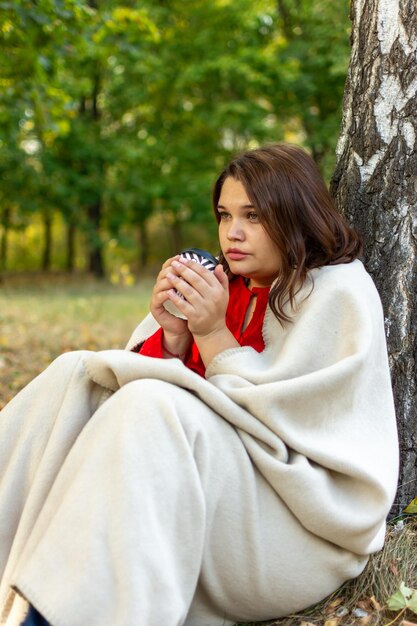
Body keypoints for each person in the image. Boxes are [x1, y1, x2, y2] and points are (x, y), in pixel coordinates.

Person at [0, 144, 398, 626]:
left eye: (253, 216)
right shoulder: (220, 283)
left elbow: (284, 426)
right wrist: (172, 334)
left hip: (291, 520)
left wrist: (212, 335)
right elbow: (152, 392)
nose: (232, 233)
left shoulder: (336, 290)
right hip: (199, 486)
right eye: (224, 214)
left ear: (295, 212)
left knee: (149, 404)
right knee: (76, 374)